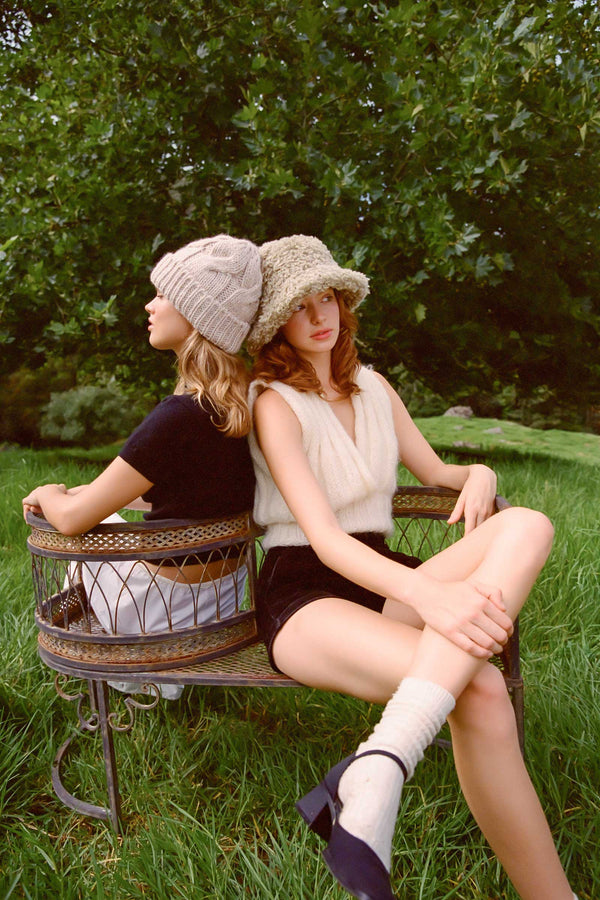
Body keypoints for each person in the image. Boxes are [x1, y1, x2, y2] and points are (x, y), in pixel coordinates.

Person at [246, 235, 577, 900]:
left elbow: (436, 473)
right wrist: (432, 596)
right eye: (300, 304)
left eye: (329, 297)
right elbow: (328, 541)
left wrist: (478, 471)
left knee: (529, 523)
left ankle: (376, 763)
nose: (321, 314)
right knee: (479, 689)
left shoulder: (374, 387)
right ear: (277, 323)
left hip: (383, 575)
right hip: (306, 593)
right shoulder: (272, 403)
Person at [23, 234, 261, 647]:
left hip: (156, 610)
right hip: (220, 599)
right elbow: (196, 497)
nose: (149, 307)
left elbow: (71, 519)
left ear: (194, 312)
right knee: (107, 511)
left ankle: (100, 655)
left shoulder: (177, 416)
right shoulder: (241, 405)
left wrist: (50, 492)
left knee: (92, 526)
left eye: (161, 295)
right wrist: (98, 492)